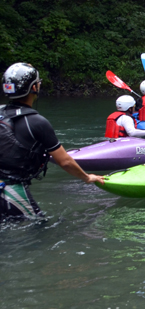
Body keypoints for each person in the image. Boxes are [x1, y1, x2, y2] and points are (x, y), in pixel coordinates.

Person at [1, 63, 105, 219]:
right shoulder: (37, 122)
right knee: (38, 229)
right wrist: (87, 177)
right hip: (11, 188)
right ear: (34, 88)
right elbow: (65, 162)